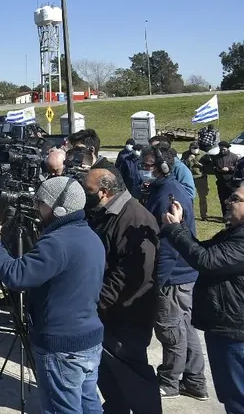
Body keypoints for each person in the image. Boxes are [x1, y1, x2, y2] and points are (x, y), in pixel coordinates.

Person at [0, 176, 106, 413]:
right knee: (89, 405)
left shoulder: (57, 242)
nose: (37, 208)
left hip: (62, 345)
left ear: (58, 209)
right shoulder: (90, 235)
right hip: (88, 339)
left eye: (41, 203)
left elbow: (16, 276)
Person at [82, 168, 162, 414]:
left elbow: (132, 276)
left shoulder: (135, 217)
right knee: (108, 373)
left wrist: (98, 302)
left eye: (88, 191)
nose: (85, 196)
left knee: (133, 373)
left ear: (104, 192)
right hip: (109, 313)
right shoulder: (106, 213)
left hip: (127, 315)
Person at [162, 184, 244, 413]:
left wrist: (176, 230)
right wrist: (181, 225)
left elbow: (206, 261)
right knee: (230, 395)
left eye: (235, 199)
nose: (228, 201)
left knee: (238, 398)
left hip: (236, 333)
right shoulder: (234, 232)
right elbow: (203, 250)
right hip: (224, 327)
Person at [140, 142, 209, 400]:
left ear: (162, 167)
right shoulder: (164, 190)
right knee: (185, 328)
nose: (142, 170)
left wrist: (157, 280)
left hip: (173, 276)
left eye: (146, 166)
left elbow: (168, 245)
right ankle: (195, 381)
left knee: (171, 330)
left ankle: (169, 381)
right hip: (181, 274)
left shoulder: (168, 195)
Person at [204, 141, 240, 207]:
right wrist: (218, 169)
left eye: (224, 149)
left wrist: (229, 169)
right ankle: (224, 215)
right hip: (221, 181)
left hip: (231, 182)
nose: (222, 151)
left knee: (233, 200)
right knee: (223, 199)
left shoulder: (234, 157)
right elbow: (212, 167)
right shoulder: (216, 157)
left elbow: (238, 168)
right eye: (220, 150)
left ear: (228, 148)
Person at [182, 142, 211, 220]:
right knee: (188, 197)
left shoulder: (204, 154)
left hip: (200, 178)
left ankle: (204, 215)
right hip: (189, 178)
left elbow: (209, 167)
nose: (195, 150)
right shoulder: (185, 154)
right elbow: (182, 165)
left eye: (196, 148)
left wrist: (201, 165)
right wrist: (188, 160)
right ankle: (189, 214)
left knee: (202, 197)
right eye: (193, 148)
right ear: (190, 148)